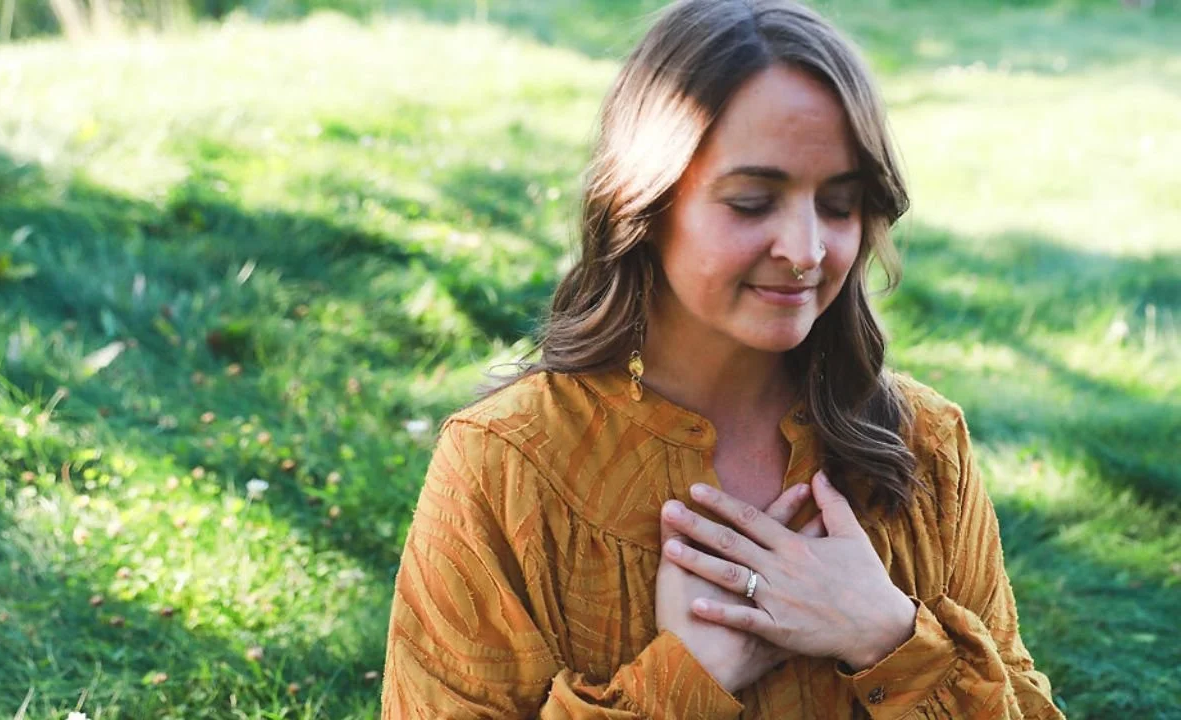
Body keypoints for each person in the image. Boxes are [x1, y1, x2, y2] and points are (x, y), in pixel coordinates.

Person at [381, 0, 1065, 717]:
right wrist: (687, 679)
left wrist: (888, 637)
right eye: (751, 202)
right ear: (644, 205)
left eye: (839, 205)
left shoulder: (925, 446)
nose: (805, 251)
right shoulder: (505, 466)